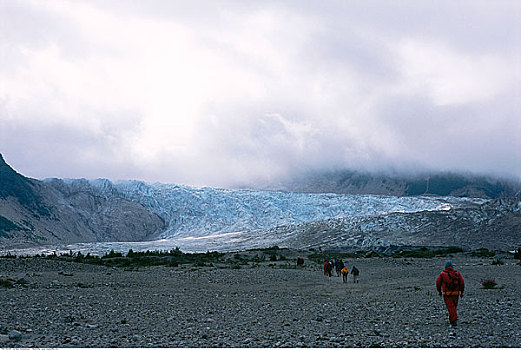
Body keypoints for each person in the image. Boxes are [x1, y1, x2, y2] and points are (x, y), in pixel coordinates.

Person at [436, 261, 465, 326]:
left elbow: (438, 283)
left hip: (447, 294)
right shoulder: (457, 273)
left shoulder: (442, 274)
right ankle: (452, 319)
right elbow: (462, 283)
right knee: (454, 306)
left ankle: (453, 320)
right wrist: (462, 292)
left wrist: (439, 291)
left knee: (451, 307)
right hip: (456, 293)